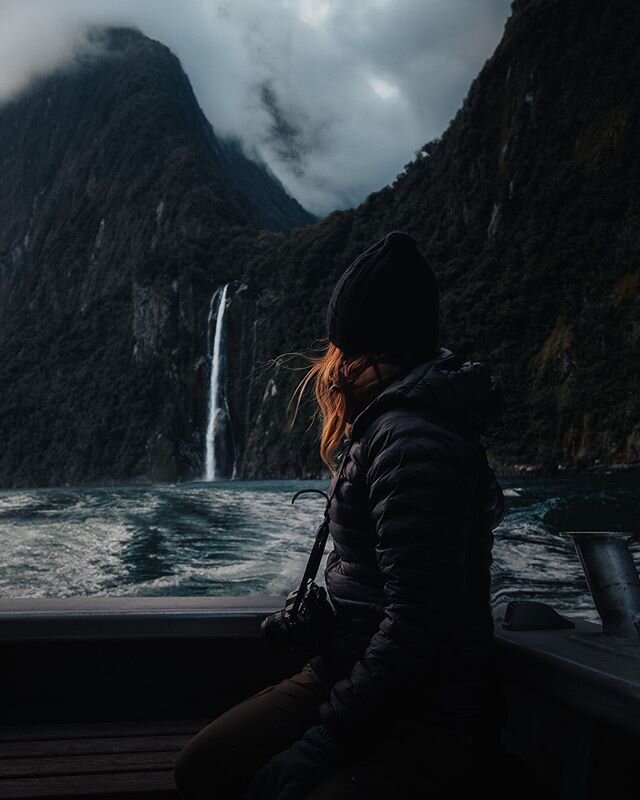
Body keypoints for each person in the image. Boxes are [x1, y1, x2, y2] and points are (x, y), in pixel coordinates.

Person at [173, 231, 506, 799]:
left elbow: (419, 626)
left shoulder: (411, 442)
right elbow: (387, 587)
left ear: (358, 345)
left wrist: (324, 741)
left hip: (425, 707)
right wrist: (331, 616)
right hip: (351, 670)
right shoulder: (389, 425)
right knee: (204, 766)